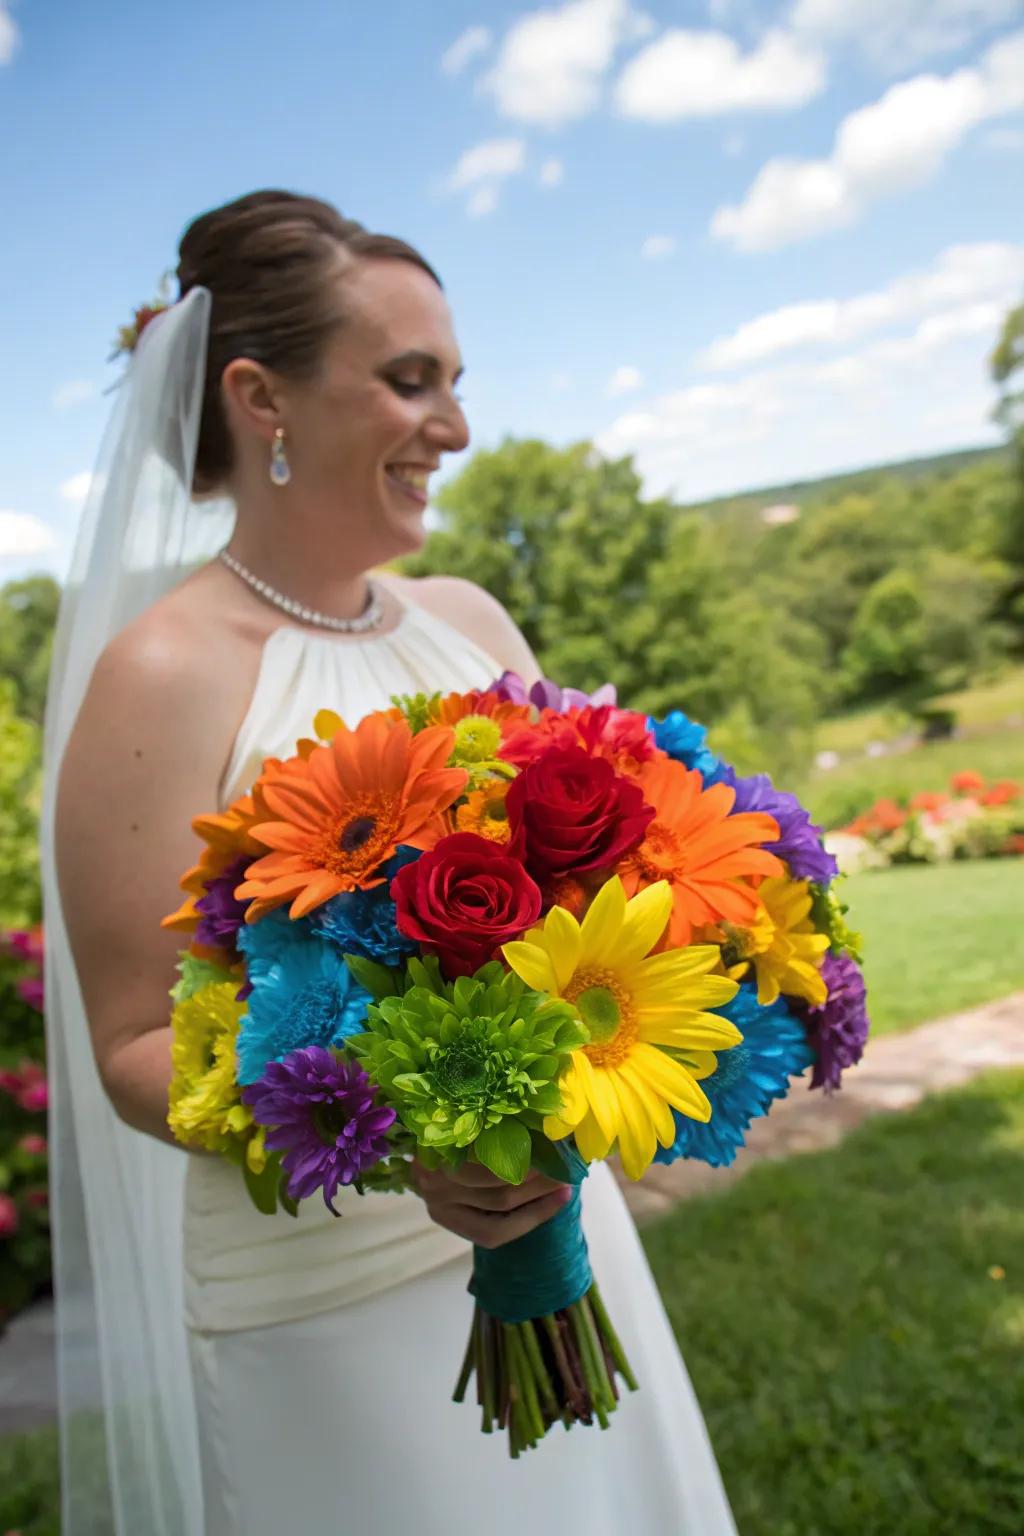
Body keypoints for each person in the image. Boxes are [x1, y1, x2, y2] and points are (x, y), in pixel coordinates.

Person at [44, 190, 739, 1535]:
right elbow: (135, 1039)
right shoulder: (163, 678)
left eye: (456, 382)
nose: (458, 429)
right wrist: (393, 1121)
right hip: (320, 1296)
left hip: (554, 1226)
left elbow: (607, 889)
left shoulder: (472, 621)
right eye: (409, 380)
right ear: (262, 398)